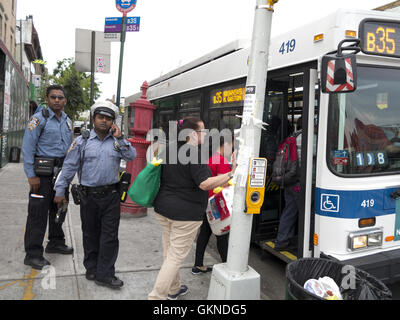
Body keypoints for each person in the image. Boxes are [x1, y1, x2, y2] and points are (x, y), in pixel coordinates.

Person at [148, 117, 237, 300]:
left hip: (163, 209)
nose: (204, 134)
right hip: (185, 214)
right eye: (202, 131)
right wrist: (230, 174)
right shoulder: (194, 153)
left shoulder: (170, 149)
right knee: (175, 257)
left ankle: (173, 289)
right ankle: (156, 297)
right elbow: (204, 183)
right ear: (191, 134)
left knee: (169, 251)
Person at [54, 101, 136, 289]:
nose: (104, 121)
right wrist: (60, 190)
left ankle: (105, 274)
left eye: (108, 119)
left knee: (109, 236)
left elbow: (131, 156)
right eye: (101, 117)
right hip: (88, 197)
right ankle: (91, 268)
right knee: (90, 234)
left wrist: (121, 138)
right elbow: (69, 167)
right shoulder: (81, 141)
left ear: (113, 122)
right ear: (93, 119)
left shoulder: (117, 141)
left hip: (111, 196)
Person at [22, 84, 74, 270]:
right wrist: (31, 176)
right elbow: (28, 148)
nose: (57, 100)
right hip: (42, 174)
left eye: (60, 97)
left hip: (61, 174)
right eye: (53, 97)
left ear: (65, 100)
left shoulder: (67, 121)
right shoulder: (38, 119)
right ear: (47, 99)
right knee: (38, 213)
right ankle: (33, 254)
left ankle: (56, 242)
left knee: (59, 208)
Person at [192, 134, 233, 274]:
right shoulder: (221, 161)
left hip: (207, 202)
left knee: (204, 233)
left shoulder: (212, 158)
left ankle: (198, 265)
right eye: (231, 145)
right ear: (225, 144)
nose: (231, 149)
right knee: (222, 235)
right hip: (217, 204)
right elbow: (226, 182)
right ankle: (228, 267)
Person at [273, 117, 302, 251]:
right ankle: (302, 242)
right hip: (299, 182)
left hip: (289, 180)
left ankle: (282, 241)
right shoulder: (309, 138)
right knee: (306, 213)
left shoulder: (292, 137)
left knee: (289, 211)